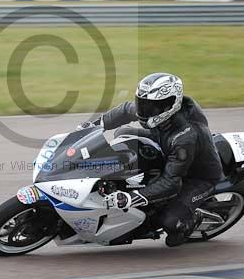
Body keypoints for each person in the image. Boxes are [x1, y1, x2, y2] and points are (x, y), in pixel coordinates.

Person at [80, 73, 224, 246]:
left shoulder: (185, 137)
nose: (144, 111)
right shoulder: (158, 109)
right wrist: (95, 125)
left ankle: (191, 221)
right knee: (122, 134)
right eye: (143, 103)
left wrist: (131, 198)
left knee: (170, 223)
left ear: (170, 105)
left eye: (151, 107)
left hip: (198, 176)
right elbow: (126, 110)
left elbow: (171, 183)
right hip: (165, 142)